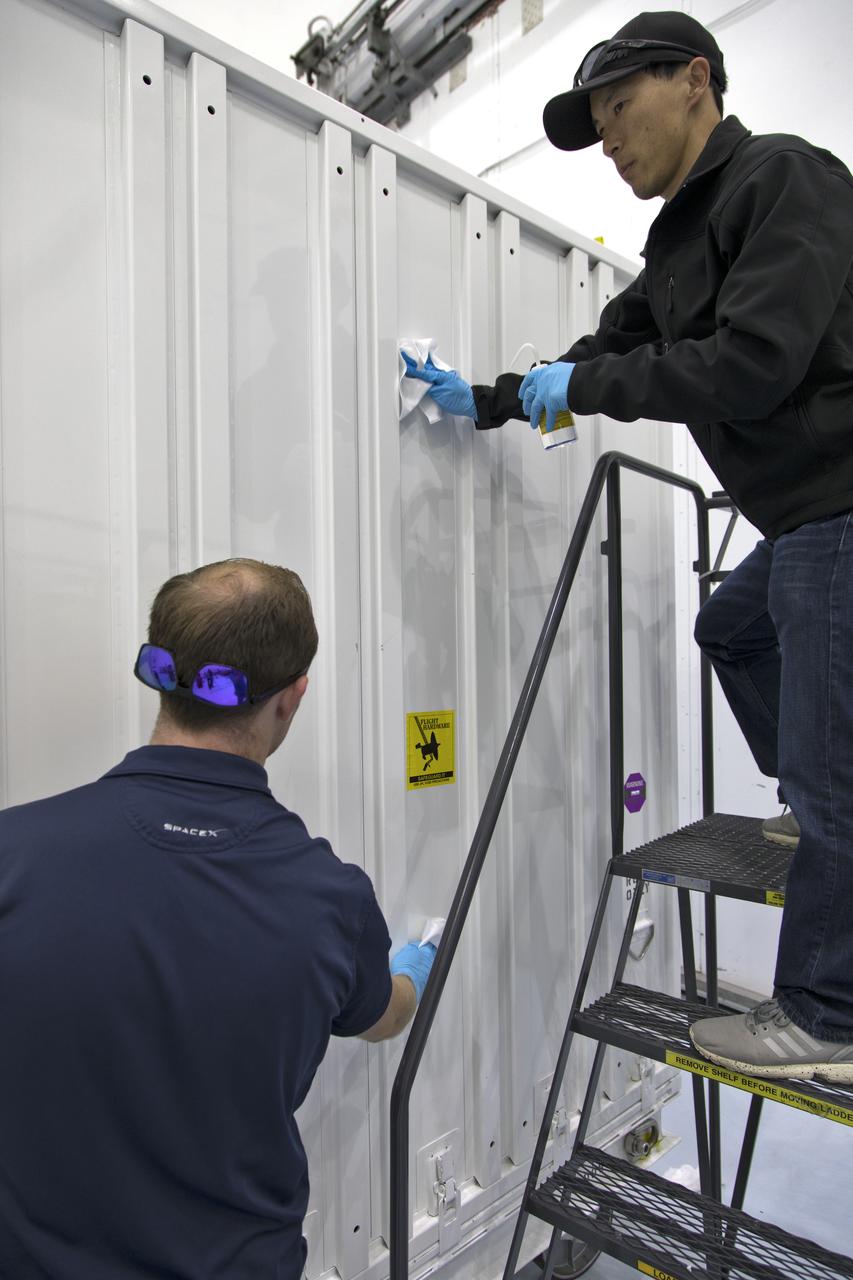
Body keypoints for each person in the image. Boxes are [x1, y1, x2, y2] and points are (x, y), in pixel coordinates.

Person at [403, 10, 853, 1081]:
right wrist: (495, 399)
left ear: (694, 80)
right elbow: (610, 348)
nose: (607, 138)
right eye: (595, 123)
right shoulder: (677, 240)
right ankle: (809, 802)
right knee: (729, 626)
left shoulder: (783, 179)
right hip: (805, 515)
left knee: (839, 780)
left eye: (618, 107)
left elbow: (752, 363)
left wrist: (590, 387)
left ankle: (826, 1014)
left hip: (838, 506)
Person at [0, 558, 436, 1279]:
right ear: (291, 698)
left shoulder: (14, 852)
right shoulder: (328, 899)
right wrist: (412, 977)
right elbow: (380, 1017)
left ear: (157, 668)